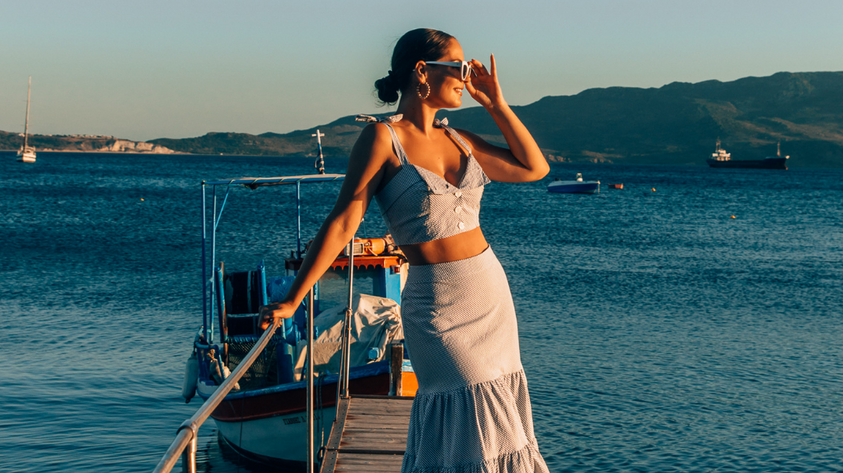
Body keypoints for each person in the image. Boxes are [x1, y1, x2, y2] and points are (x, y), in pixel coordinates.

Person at [260, 28, 550, 472]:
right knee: (467, 407)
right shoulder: (382, 139)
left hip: (489, 294)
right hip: (436, 305)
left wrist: (496, 104)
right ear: (422, 71)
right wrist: (292, 298)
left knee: (501, 423)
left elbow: (534, 167)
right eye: (458, 66)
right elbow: (343, 221)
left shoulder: (460, 139)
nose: (467, 75)